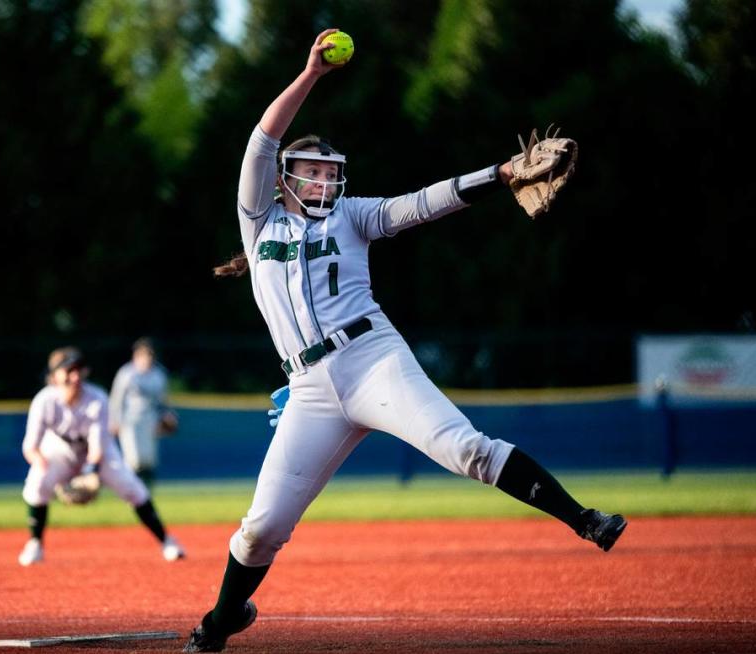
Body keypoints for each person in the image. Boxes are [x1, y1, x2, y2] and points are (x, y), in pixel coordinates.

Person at [183, 29, 626, 653]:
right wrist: (311, 72)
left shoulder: (352, 214)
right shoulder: (259, 222)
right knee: (260, 531)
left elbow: (422, 204)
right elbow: (262, 137)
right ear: (284, 180)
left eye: (329, 173)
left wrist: (500, 174)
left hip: (372, 360)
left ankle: (585, 519)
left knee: (465, 449)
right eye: (310, 172)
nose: (322, 181)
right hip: (308, 388)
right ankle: (221, 623)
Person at [17, 346, 185, 566]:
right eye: (68, 371)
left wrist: (90, 473)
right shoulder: (44, 401)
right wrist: (45, 468)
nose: (75, 376)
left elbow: (96, 447)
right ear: (54, 376)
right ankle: (35, 544)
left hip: (99, 453)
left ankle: (168, 542)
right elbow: (30, 447)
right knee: (36, 483)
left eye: (78, 370)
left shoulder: (96, 398)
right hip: (58, 449)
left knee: (134, 489)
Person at [109, 337, 179, 487]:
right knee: (134, 460)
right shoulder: (127, 373)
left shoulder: (158, 374)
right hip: (130, 420)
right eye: (144, 354)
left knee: (148, 460)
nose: (148, 358)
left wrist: (168, 415)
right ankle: (131, 491)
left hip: (150, 420)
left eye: (150, 355)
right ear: (136, 355)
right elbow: (116, 399)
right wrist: (114, 420)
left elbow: (162, 401)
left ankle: (145, 493)